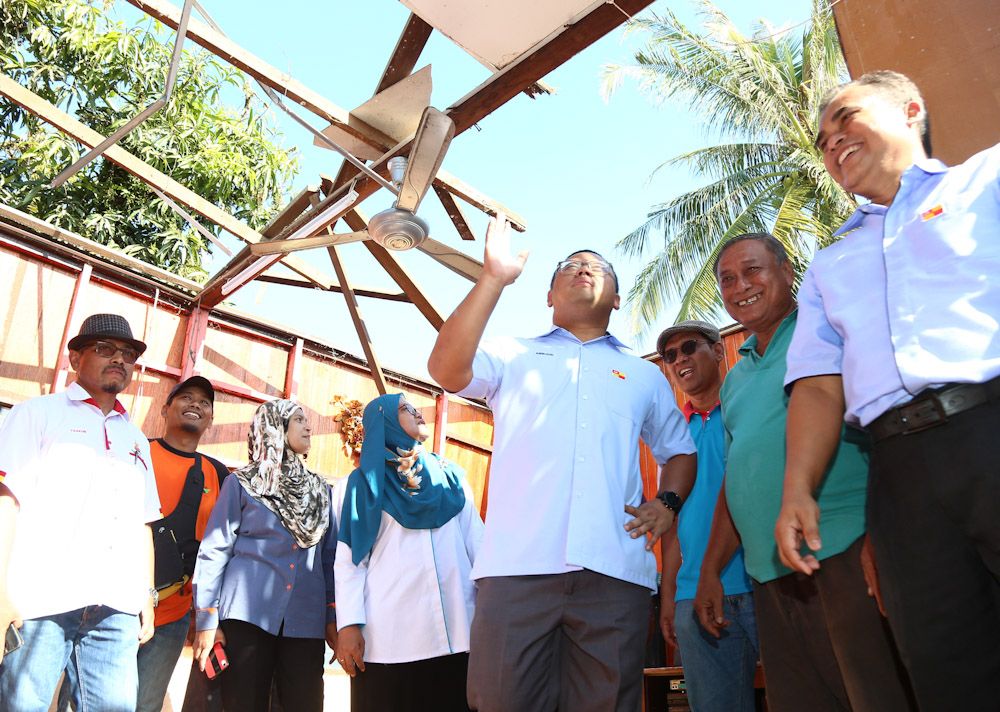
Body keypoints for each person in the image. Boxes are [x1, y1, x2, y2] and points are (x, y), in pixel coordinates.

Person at [779, 69, 1000, 709]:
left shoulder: (985, 180)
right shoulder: (829, 264)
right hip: (899, 476)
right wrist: (797, 489)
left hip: (990, 431)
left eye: (845, 119)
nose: (832, 142)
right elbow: (818, 386)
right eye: (822, 140)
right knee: (946, 669)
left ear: (910, 110)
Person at [428, 216, 697, 712]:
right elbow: (446, 369)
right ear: (549, 295)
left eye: (598, 267)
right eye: (570, 266)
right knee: (500, 701)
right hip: (516, 569)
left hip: (615, 574)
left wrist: (667, 504)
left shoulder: (644, 376)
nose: (583, 268)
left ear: (617, 299)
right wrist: (493, 279)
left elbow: (680, 451)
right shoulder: (512, 354)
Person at [694, 234, 915, 712]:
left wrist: (881, 534)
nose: (740, 286)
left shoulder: (828, 331)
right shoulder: (735, 379)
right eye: (727, 279)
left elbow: (886, 434)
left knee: (877, 696)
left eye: (752, 270)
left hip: (843, 554)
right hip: (768, 576)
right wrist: (710, 570)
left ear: (787, 270)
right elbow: (736, 481)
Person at [0, 313, 161, 711]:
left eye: (128, 354)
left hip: (116, 608)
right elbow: (7, 501)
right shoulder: (36, 414)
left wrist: (145, 596)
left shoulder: (136, 438)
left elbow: (142, 523)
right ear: (75, 358)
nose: (119, 359)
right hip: (41, 599)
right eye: (105, 349)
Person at [334, 393, 484, 712]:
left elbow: (479, 547)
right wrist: (348, 625)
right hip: (389, 641)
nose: (417, 412)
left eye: (415, 407)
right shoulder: (361, 485)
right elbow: (349, 562)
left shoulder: (451, 477)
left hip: (456, 634)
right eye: (405, 408)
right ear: (384, 421)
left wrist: (493, 607)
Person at [192, 399, 337, 712]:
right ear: (275, 427)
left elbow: (329, 560)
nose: (308, 427)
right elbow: (215, 549)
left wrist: (333, 619)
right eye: (298, 420)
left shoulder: (322, 492)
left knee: (305, 703)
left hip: (305, 621)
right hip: (246, 617)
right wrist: (206, 619)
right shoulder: (242, 484)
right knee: (242, 703)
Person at [654, 320, 758, 712]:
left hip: (765, 581)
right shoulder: (673, 437)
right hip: (693, 596)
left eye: (689, 347)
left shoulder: (749, 404)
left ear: (717, 351)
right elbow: (671, 522)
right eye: (670, 355)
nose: (679, 359)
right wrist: (669, 597)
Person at [137, 376, 228, 712]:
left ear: (211, 419)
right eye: (186, 397)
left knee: (145, 703)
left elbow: (221, 550)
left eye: (204, 403)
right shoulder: (138, 451)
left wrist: (209, 618)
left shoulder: (218, 474)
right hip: (116, 605)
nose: (195, 405)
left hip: (172, 615)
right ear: (165, 409)